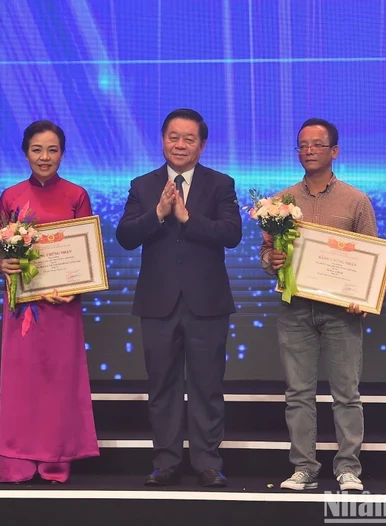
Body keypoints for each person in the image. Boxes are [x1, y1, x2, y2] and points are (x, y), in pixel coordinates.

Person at [116, 109, 241, 488]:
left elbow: (231, 234)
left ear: (202, 144)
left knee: (207, 386)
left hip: (207, 302)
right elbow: (125, 236)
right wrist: (158, 212)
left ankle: (207, 461)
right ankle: (166, 461)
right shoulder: (143, 185)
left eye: (188, 138)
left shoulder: (220, 184)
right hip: (158, 303)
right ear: (162, 139)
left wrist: (187, 218)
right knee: (163, 386)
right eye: (173, 136)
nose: (180, 144)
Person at [260, 119, 377, 492]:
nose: (308, 150)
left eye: (316, 144)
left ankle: (348, 468)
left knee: (346, 393)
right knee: (298, 393)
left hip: (342, 313)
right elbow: (266, 254)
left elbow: (370, 258)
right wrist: (271, 262)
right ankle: (304, 468)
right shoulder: (280, 203)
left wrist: (362, 297)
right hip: (295, 310)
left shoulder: (356, 200)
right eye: (302, 145)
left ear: (334, 151)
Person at [0, 120, 99, 484]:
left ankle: (55, 459)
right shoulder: (10, 195)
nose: (45, 157)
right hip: (22, 309)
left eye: (52, 150)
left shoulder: (76, 194)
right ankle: (17, 460)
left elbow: (86, 253)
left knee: (57, 383)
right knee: (21, 384)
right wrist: (3, 263)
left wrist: (77, 285)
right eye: (37, 149)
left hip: (62, 307)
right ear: (26, 152)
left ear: (62, 154)